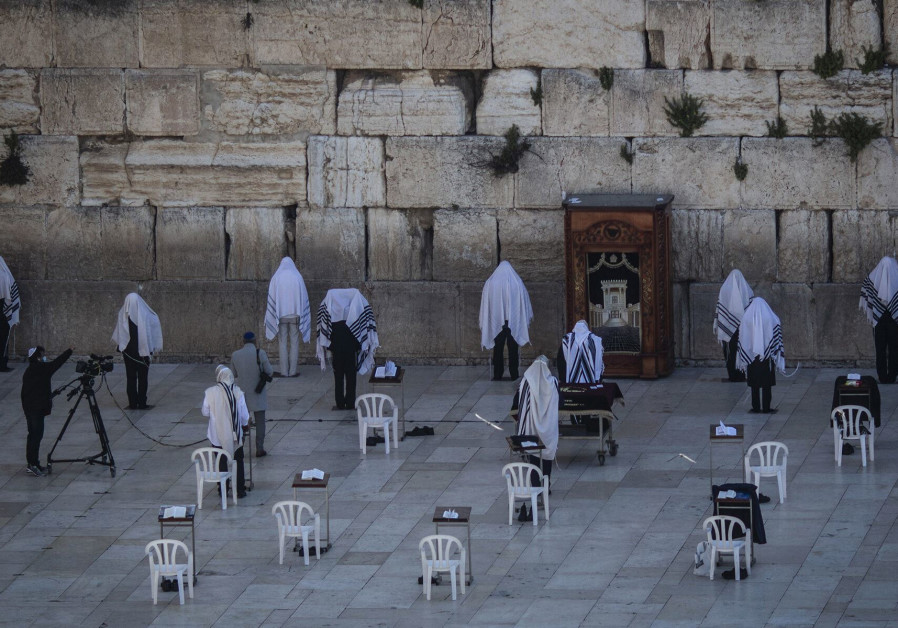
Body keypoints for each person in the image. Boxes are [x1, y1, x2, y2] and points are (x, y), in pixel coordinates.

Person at [316, 288, 378, 410]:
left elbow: (327, 333)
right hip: (350, 350)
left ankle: (339, 403)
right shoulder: (354, 315)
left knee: (338, 375)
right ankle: (350, 402)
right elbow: (359, 333)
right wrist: (358, 347)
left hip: (337, 350)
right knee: (351, 376)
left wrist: (331, 347)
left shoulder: (332, 314)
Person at [514, 356, 559, 521]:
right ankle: (545, 488)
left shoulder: (526, 382)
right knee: (547, 457)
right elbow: (557, 403)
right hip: (548, 430)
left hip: (531, 429)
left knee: (533, 460)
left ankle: (535, 487)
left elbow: (520, 404)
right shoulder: (553, 382)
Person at [21, 345, 73, 476]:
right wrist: (69, 350)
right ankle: (33, 464)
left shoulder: (29, 370)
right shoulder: (42, 369)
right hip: (36, 409)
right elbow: (57, 363)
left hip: (29, 408)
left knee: (32, 435)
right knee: (36, 436)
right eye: (42, 355)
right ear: (38, 357)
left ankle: (33, 463)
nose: (44, 357)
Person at [480, 261, 533, 381]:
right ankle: (514, 374)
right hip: (512, 322)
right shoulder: (517, 282)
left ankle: (497, 374)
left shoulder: (491, 282)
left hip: (497, 321)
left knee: (497, 348)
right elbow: (524, 301)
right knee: (513, 348)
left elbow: (486, 304)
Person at [202, 366, 250, 498]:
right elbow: (244, 416)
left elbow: (205, 411)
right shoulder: (238, 392)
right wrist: (244, 427)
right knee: (238, 460)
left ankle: (222, 489)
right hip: (234, 435)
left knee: (220, 461)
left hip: (216, 435)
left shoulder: (210, 392)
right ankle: (240, 490)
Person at [111, 292, 162, 410]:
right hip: (142, 353)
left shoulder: (122, 314)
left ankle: (133, 403)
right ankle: (141, 403)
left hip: (128, 353)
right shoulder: (145, 315)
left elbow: (120, 334)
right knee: (142, 377)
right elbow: (153, 327)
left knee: (131, 377)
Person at [736, 297, 785, 413]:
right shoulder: (770, 317)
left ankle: (756, 407)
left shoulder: (746, 317)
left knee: (754, 384)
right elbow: (776, 326)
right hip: (767, 357)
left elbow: (742, 337)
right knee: (766, 383)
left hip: (752, 357)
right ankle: (767, 407)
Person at [265, 257, 311, 377]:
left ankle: (284, 372)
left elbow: (272, 295)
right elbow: (304, 296)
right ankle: (293, 371)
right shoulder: (297, 276)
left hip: (281, 315)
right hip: (295, 314)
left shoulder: (277, 277)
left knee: (282, 342)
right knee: (295, 342)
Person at [230, 331, 273, 456]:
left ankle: (240, 447)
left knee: (242, 421)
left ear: (243, 342)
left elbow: (233, 374)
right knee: (260, 422)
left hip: (242, 395)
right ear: (255, 341)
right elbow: (269, 371)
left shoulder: (235, 355)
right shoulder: (260, 353)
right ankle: (259, 448)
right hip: (258, 393)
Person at [860, 256, 898, 384]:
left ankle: (886, 377)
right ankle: (889, 376)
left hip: (884, 320)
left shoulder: (873, 277)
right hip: (889, 320)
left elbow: (865, 287)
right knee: (890, 349)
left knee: (885, 349)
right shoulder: (895, 274)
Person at [714, 269, 753, 382]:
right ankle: (740, 375)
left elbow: (720, 307)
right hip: (742, 328)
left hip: (729, 327)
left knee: (730, 352)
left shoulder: (725, 289)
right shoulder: (746, 289)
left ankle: (732, 375)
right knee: (740, 350)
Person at [556, 320, 604, 384]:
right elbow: (599, 360)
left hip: (571, 378)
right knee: (590, 393)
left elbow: (561, 360)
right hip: (590, 378)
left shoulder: (567, 339)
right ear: (586, 327)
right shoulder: (594, 339)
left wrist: (562, 377)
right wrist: (599, 376)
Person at [0, 255, 21, 372]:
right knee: (3, 341)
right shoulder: (4, 276)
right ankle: (2, 364)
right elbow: (10, 297)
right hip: (2, 315)